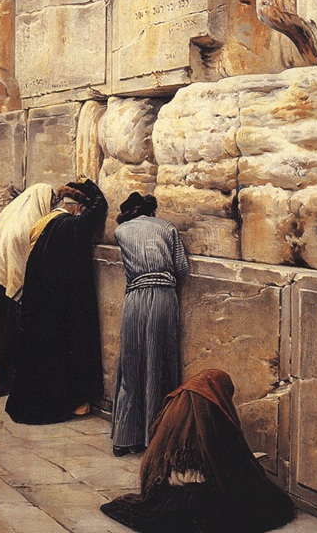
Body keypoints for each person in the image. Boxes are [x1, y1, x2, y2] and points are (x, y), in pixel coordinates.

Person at [101, 369, 295, 533]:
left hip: (165, 495)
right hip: (200, 500)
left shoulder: (175, 405)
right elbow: (225, 466)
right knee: (270, 505)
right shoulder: (212, 415)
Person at [5, 177, 107, 424]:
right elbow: (100, 206)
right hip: (60, 306)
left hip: (38, 302)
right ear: (76, 207)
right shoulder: (72, 225)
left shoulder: (43, 223)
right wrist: (90, 185)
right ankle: (61, 404)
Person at [111, 192, 189, 457]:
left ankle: (125, 438)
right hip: (163, 298)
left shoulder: (120, 232)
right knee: (160, 363)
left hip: (134, 299)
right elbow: (182, 269)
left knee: (131, 364)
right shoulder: (167, 227)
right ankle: (155, 437)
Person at [0, 182, 55, 397]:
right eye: (51, 201)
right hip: (8, 283)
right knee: (3, 334)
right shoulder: (29, 222)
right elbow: (25, 263)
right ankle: (0, 384)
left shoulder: (11, 212)